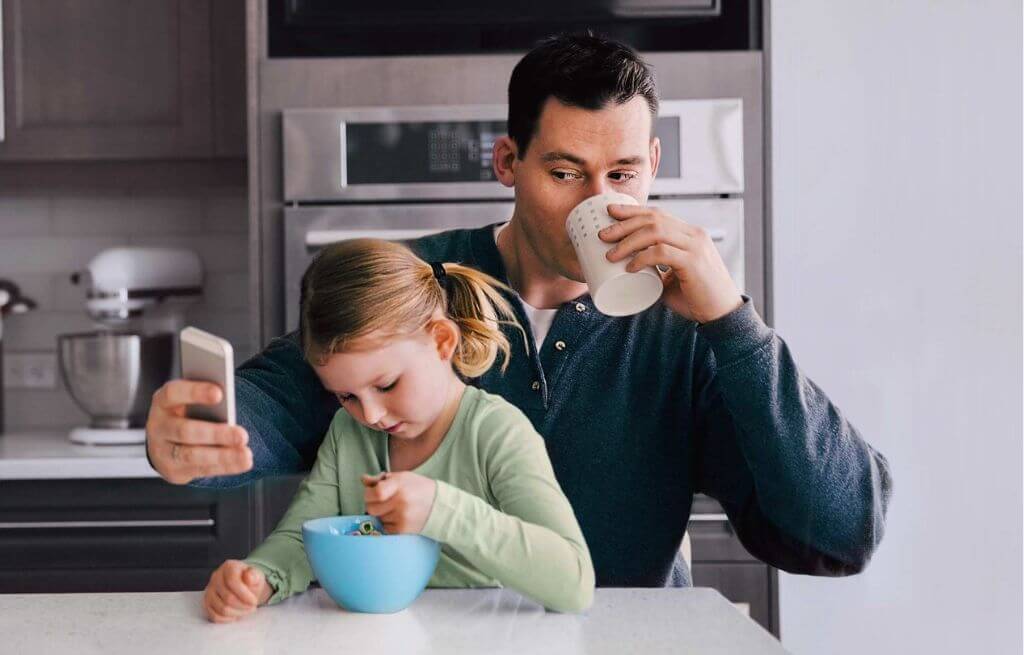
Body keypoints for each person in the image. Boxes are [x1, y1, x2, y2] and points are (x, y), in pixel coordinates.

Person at [148, 32, 892, 588]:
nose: (598, 203)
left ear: (654, 167)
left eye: (622, 174)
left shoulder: (688, 329)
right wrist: (195, 432)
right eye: (565, 172)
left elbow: (842, 530)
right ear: (508, 162)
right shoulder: (419, 283)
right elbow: (275, 408)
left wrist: (734, 321)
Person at [202, 238, 593, 622]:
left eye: (386, 385)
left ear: (441, 341)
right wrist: (257, 577)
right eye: (346, 396)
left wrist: (441, 509)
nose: (369, 414)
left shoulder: (496, 432)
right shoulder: (348, 434)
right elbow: (303, 538)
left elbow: (572, 582)